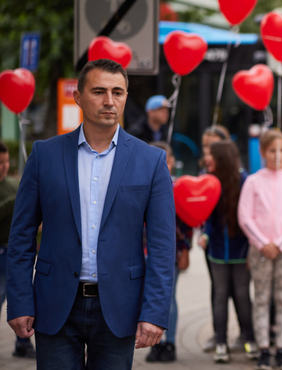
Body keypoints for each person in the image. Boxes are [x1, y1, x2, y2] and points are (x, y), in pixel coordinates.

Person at [6, 59, 175, 368]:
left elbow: (163, 247)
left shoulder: (151, 161)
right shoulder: (44, 155)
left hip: (120, 306)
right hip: (55, 303)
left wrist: (154, 312)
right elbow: (21, 237)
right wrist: (18, 301)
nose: (109, 101)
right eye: (99, 91)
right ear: (79, 97)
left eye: (118, 92)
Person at [239, 131, 282, 369]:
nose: (277, 155)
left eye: (281, 150)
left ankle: (281, 347)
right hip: (260, 250)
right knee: (261, 298)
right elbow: (245, 217)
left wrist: (279, 244)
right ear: (263, 152)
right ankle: (263, 348)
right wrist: (263, 243)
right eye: (272, 150)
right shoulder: (253, 181)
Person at [198, 140, 258, 363]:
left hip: (241, 252)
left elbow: (250, 217)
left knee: (243, 296)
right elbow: (208, 216)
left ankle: (249, 339)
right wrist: (205, 233)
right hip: (217, 252)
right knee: (220, 296)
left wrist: (253, 246)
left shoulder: (245, 181)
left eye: (210, 155)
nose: (206, 159)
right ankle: (221, 342)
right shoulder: (209, 181)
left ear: (221, 159)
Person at [145, 142, 193, 363]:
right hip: (141, 252)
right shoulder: (140, 186)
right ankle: (153, 342)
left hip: (170, 254)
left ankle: (169, 341)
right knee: (144, 297)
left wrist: (185, 251)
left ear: (172, 162)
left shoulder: (178, 189)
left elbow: (187, 223)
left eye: (165, 159)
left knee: (169, 296)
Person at [0, 142, 36, 359]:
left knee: (22, 295)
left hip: (13, 253)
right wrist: (16, 200)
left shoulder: (14, 184)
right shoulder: (14, 192)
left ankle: (23, 342)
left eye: (6, 162)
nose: (4, 166)